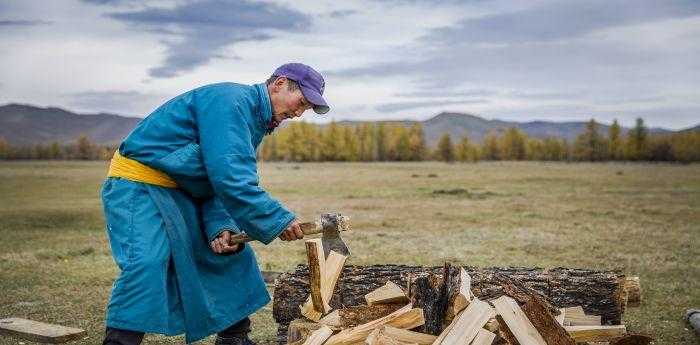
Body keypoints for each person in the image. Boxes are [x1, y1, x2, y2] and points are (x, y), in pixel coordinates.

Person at [101, 63, 329, 345]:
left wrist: (221, 224)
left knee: (229, 252)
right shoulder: (231, 103)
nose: (298, 113)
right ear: (279, 84)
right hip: (138, 186)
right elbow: (230, 177)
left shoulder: (255, 118)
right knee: (147, 263)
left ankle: (234, 339)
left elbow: (214, 177)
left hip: (184, 189)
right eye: (301, 102)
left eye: (305, 108)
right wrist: (277, 219)